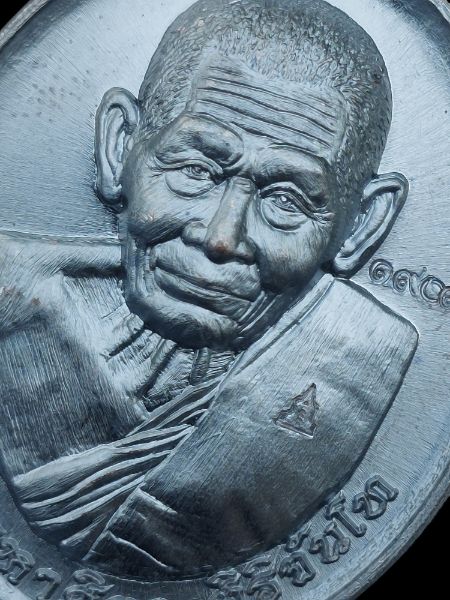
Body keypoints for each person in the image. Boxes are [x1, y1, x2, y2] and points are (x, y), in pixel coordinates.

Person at [0, 0, 418, 580]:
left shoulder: (353, 363)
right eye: (195, 170)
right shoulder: (15, 304)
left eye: (285, 201)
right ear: (119, 147)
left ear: (362, 226)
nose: (221, 238)